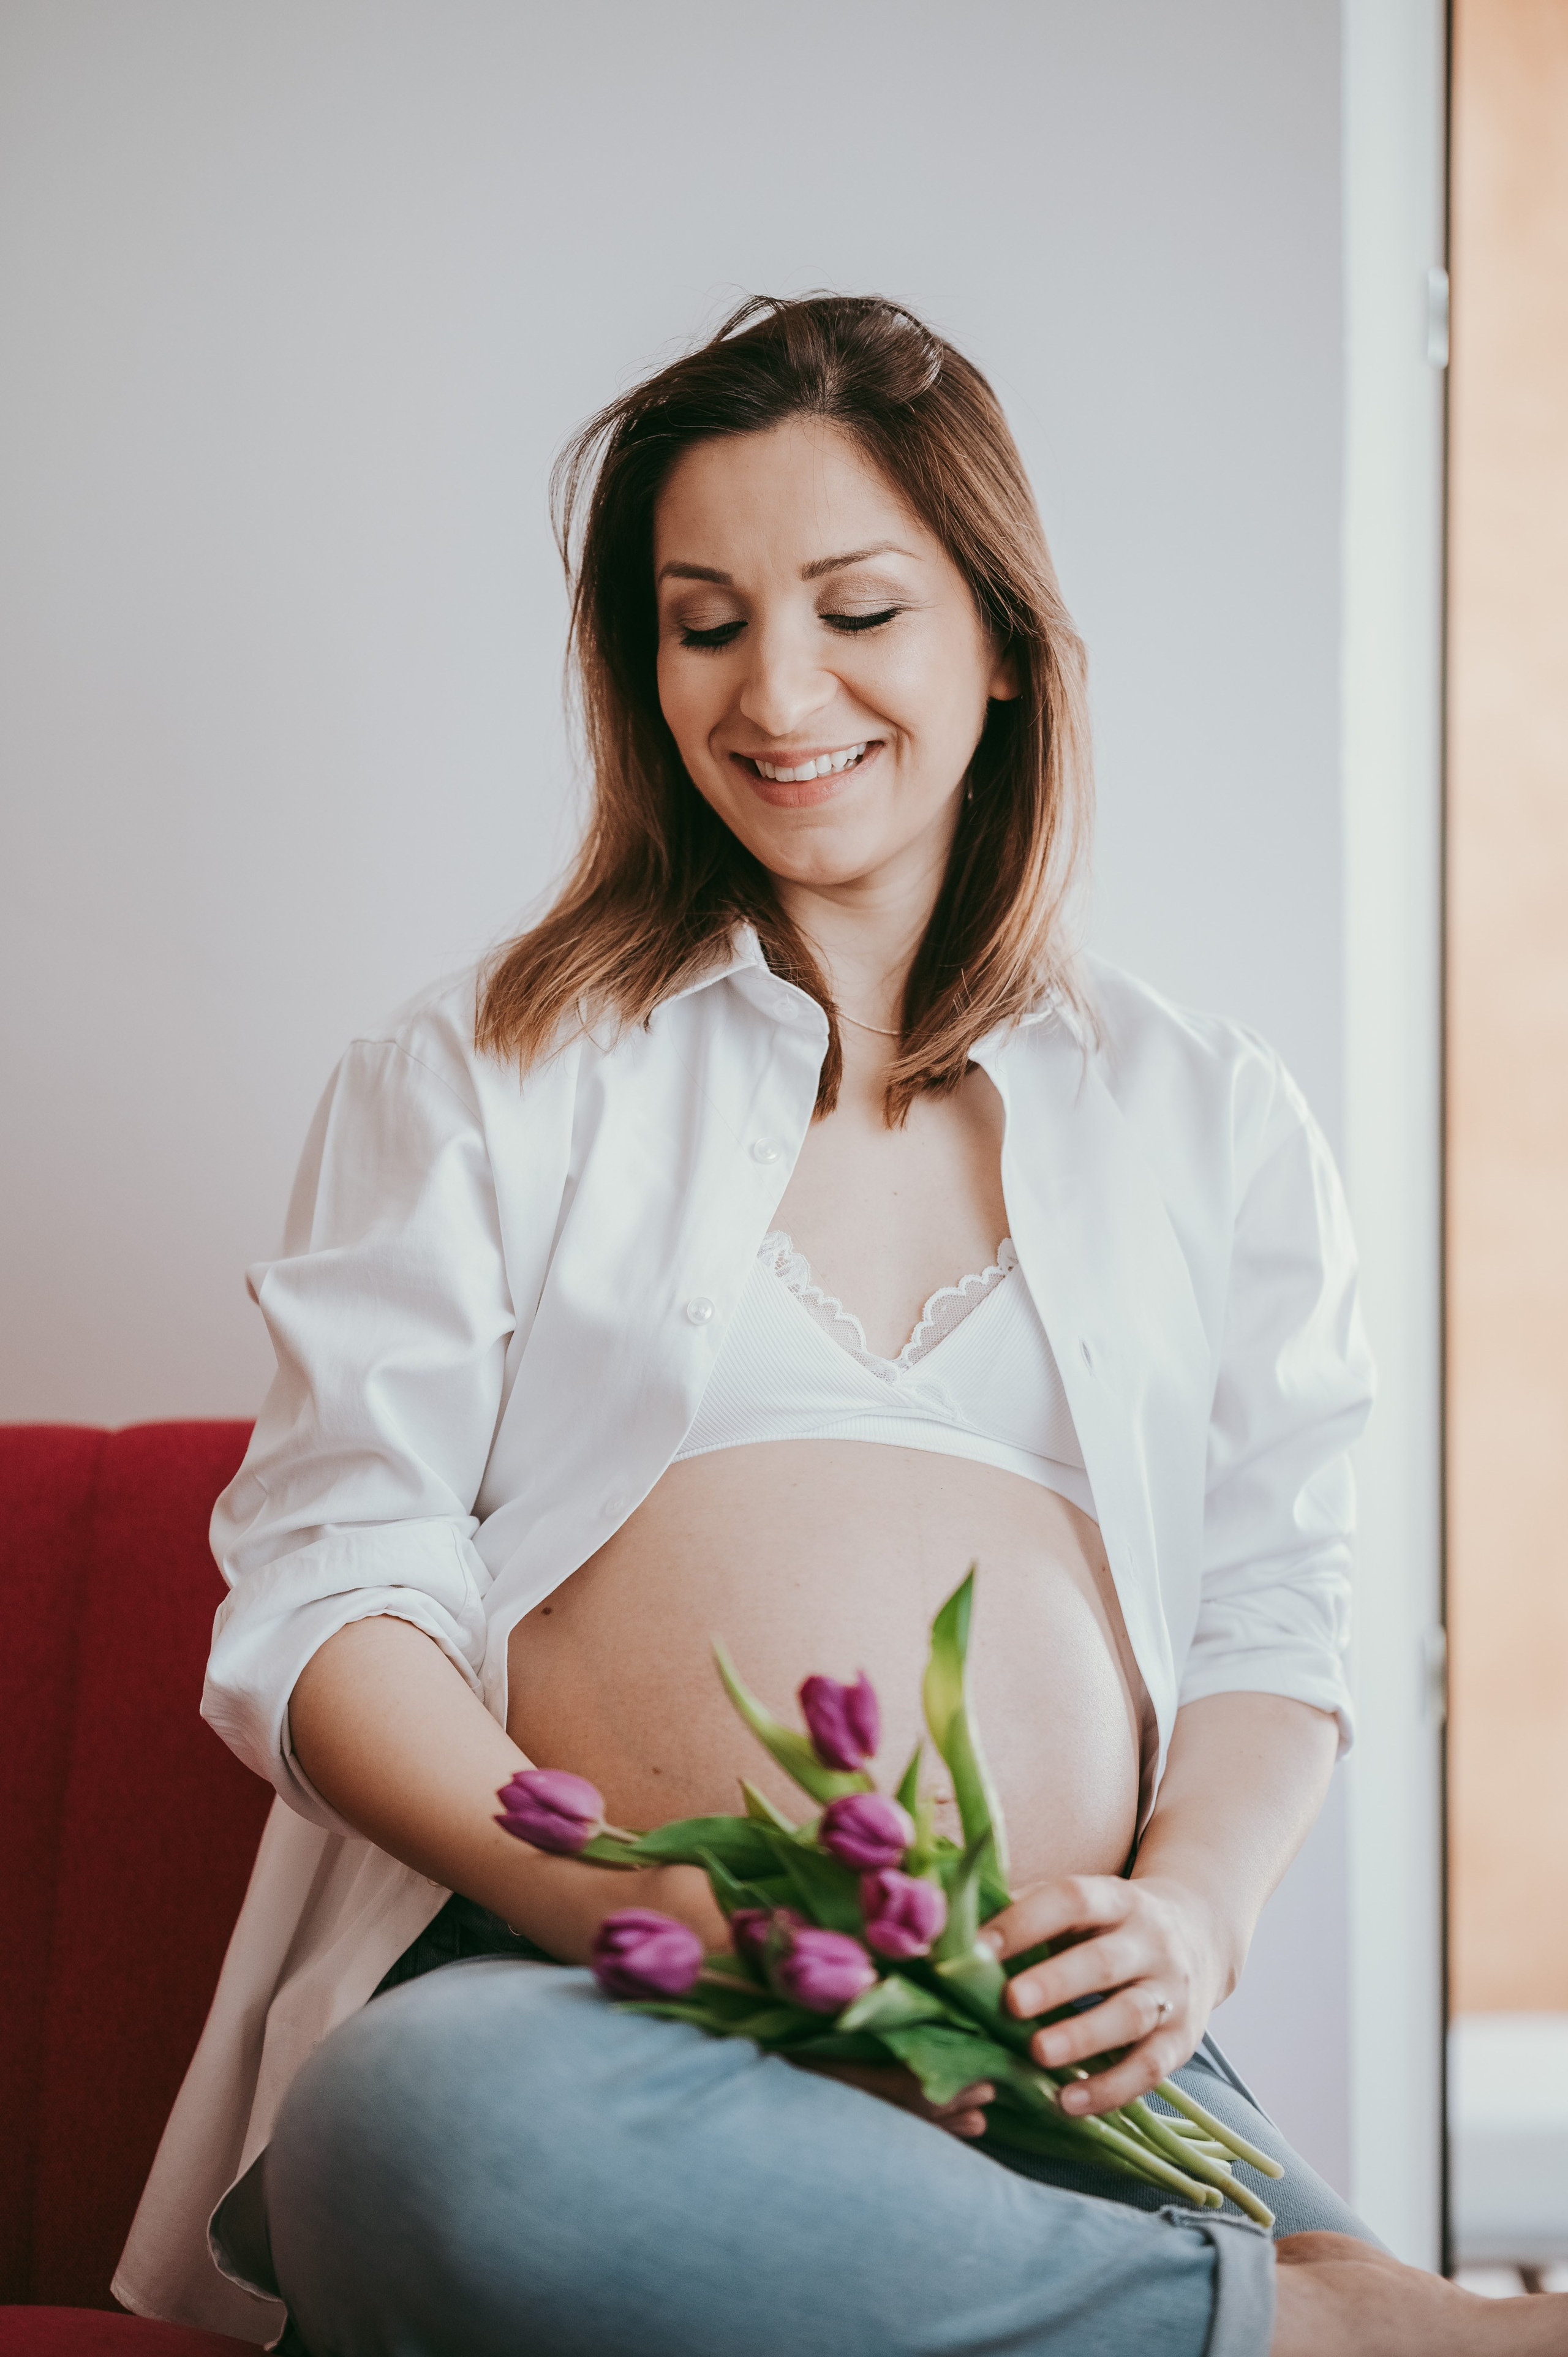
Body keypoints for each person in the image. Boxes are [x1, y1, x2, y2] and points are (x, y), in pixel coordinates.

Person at [116, 294, 1562, 2356]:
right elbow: (332, 1599)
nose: (775, 690)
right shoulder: (480, 1069)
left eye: (856, 609)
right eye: (704, 624)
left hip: (1051, 2083)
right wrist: (638, 1906)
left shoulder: (1209, 1115)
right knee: (416, 2128)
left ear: (999, 637)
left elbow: (1272, 1623)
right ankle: (1313, 2335)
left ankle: (1200, 2304)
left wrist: (1191, 1915)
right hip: (576, 2011)